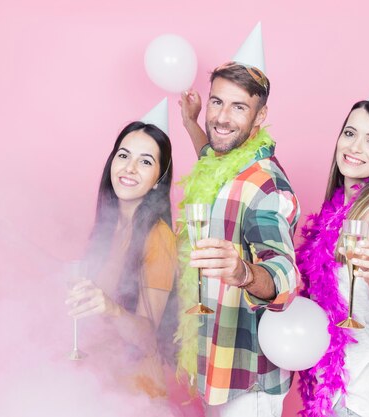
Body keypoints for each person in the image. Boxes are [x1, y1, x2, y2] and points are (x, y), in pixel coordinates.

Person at [176, 61, 300, 417]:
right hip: (215, 366)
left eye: (239, 107)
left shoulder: (266, 186)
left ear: (260, 116)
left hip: (248, 384)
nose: (222, 117)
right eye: (217, 102)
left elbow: (285, 274)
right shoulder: (222, 161)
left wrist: (244, 272)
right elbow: (210, 155)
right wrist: (190, 121)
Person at [297, 100, 369, 417]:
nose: (355, 147)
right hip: (334, 389)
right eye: (350, 133)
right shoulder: (338, 209)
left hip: (363, 398)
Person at [65, 121, 177, 399]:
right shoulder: (110, 224)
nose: (129, 168)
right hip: (101, 388)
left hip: (137, 397)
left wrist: (110, 308)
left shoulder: (159, 238)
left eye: (146, 161)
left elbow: (148, 339)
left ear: (158, 181)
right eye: (124, 155)